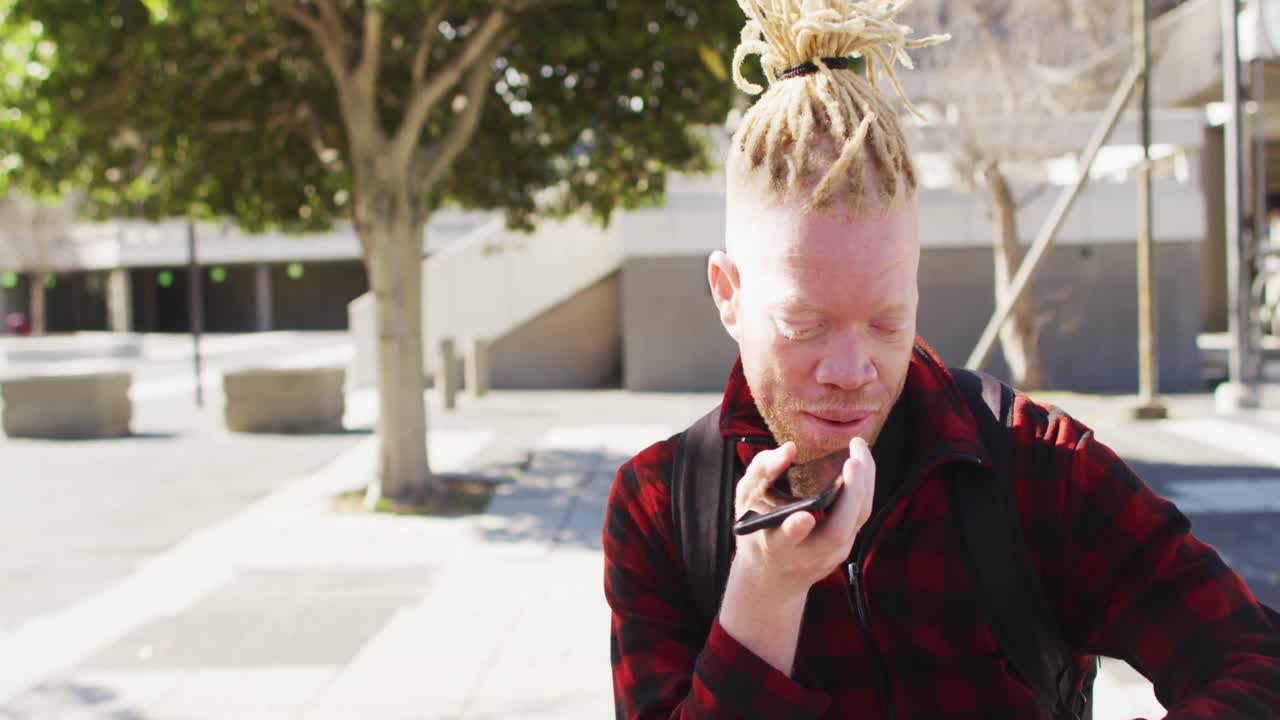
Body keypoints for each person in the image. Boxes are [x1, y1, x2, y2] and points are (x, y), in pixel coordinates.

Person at [602, 1, 1280, 717]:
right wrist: (764, 597)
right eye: (804, 322)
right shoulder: (658, 507)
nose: (852, 368)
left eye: (888, 320)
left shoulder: (1036, 465)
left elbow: (1253, 663)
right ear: (728, 293)